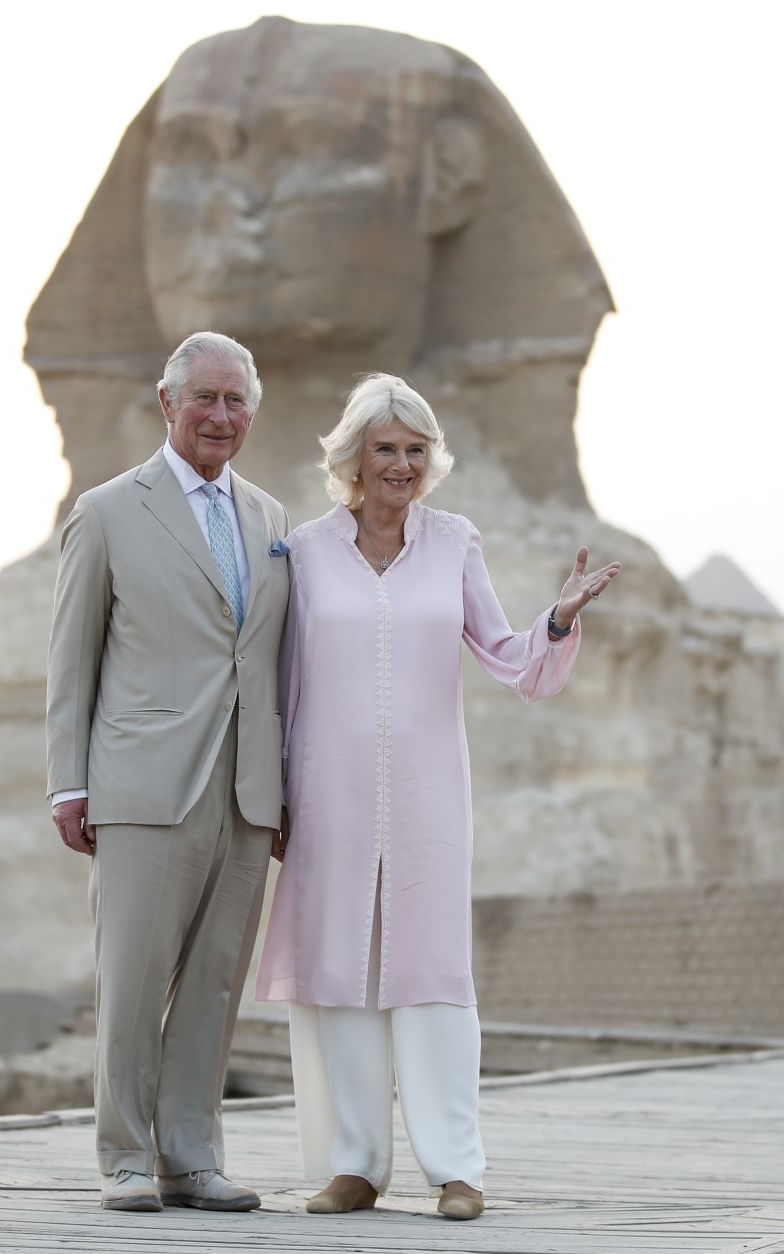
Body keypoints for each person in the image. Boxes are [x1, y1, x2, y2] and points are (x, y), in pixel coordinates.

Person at [256, 373, 620, 1221]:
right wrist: (273, 791)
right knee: (337, 970)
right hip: (327, 792)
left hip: (427, 798)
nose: (402, 463)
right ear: (353, 457)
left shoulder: (455, 541)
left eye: (416, 449)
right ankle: (353, 1166)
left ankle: (457, 1170)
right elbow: (281, 677)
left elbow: (505, 653)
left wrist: (558, 620)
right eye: (385, 447)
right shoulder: (303, 550)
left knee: (432, 977)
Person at [46, 331, 289, 1214]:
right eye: (205, 399)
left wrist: (286, 782)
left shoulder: (271, 519)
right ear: (168, 403)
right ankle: (122, 1156)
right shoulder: (109, 511)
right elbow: (72, 660)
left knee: (215, 983)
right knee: (133, 978)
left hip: (247, 788)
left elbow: (272, 661)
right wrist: (67, 784)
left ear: (250, 414)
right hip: (145, 780)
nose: (220, 416)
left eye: (235, 403)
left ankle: (191, 1158)